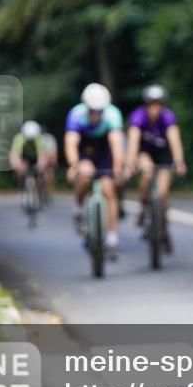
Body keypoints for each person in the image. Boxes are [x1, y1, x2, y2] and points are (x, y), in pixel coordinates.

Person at [64, 83, 125, 260]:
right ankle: (78, 207)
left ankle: (112, 239)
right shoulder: (76, 114)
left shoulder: (113, 114)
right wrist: (73, 165)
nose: (96, 115)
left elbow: (116, 143)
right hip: (86, 150)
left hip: (105, 150)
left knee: (108, 189)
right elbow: (71, 143)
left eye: (99, 111)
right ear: (86, 107)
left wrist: (118, 167)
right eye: (92, 111)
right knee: (84, 175)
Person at [125, 84, 186, 253]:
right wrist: (130, 163)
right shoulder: (138, 117)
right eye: (152, 104)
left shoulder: (168, 117)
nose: (155, 108)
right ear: (147, 105)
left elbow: (175, 141)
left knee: (163, 192)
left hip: (162, 154)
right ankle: (144, 206)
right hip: (144, 153)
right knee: (147, 172)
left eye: (159, 105)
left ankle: (164, 228)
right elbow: (133, 142)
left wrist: (179, 161)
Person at [9, 121, 49, 198]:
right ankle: (22, 186)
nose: (31, 140)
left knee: (42, 172)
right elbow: (14, 154)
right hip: (24, 157)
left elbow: (42, 155)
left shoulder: (39, 139)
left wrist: (41, 165)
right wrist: (17, 165)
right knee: (20, 171)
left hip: (35, 157)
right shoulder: (19, 138)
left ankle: (41, 189)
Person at [40, 125, 59, 192]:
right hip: (40, 157)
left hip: (49, 157)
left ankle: (48, 187)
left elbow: (53, 151)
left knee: (50, 171)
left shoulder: (50, 138)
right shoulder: (37, 138)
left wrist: (54, 161)